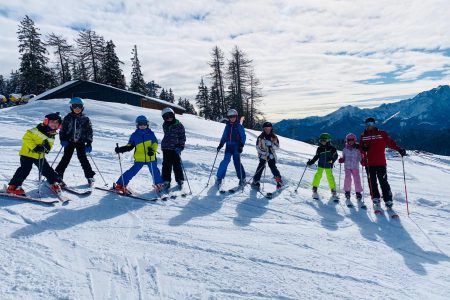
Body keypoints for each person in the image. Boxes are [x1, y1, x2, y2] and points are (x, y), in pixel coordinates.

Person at [6, 112, 63, 195]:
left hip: (39, 155)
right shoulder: (36, 130)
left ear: (59, 125)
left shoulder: (52, 135)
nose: (54, 124)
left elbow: (50, 144)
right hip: (27, 154)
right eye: (52, 122)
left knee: (46, 169)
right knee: (24, 170)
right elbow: (26, 138)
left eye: (56, 123)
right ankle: (13, 187)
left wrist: (46, 148)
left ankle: (54, 182)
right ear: (46, 121)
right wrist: (35, 147)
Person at [360, 117, 406, 210]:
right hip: (369, 163)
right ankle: (375, 198)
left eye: (371, 124)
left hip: (381, 163)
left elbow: (391, 143)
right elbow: (361, 149)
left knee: (383, 181)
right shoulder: (363, 136)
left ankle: (388, 199)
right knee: (372, 182)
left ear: (374, 124)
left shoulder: (382, 134)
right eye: (368, 124)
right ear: (365, 125)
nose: (369, 126)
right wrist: (363, 154)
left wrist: (399, 149)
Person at [114, 115, 164, 193]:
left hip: (150, 156)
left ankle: (158, 184)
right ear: (137, 125)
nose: (143, 126)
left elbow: (155, 143)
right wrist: (120, 149)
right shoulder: (134, 135)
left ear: (147, 124)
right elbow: (129, 146)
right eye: (141, 124)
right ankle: (120, 184)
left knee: (154, 171)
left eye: (144, 124)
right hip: (139, 158)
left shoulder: (151, 134)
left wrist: (152, 150)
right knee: (132, 171)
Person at [55, 97, 95, 186]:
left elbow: (89, 132)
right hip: (69, 142)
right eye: (75, 106)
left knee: (83, 159)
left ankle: (90, 176)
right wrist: (63, 139)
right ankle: (57, 175)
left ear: (82, 108)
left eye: (79, 107)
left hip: (81, 142)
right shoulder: (67, 118)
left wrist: (89, 143)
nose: (77, 109)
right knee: (66, 158)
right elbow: (62, 130)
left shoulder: (86, 119)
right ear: (71, 107)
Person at [215, 109, 246, 188]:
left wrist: (241, 146)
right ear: (228, 117)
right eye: (230, 117)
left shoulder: (239, 126)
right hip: (228, 146)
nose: (232, 118)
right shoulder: (227, 126)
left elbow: (243, 136)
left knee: (237, 163)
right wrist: (221, 144)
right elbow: (224, 136)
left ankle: (242, 178)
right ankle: (219, 178)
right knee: (225, 161)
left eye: (233, 116)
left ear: (236, 117)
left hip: (236, 147)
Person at [251, 121, 283, 190]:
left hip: (271, 155)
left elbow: (277, 147)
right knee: (261, 166)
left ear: (271, 128)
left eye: (269, 128)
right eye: (266, 128)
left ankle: (279, 181)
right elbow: (258, 148)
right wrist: (265, 153)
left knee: (273, 167)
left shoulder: (274, 137)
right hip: (263, 155)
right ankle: (256, 180)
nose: (267, 130)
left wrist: (271, 144)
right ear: (264, 129)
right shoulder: (260, 137)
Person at [307, 133, 339, 200]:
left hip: (328, 165)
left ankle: (333, 190)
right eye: (321, 140)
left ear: (328, 141)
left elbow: (336, 156)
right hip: (321, 164)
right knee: (318, 175)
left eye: (323, 140)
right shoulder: (319, 148)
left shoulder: (332, 148)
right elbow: (316, 156)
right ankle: (315, 187)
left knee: (330, 177)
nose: (322, 142)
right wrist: (311, 162)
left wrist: (332, 161)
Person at [160, 107, 186, 190]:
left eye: (170, 115)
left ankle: (179, 179)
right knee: (166, 165)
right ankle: (166, 180)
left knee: (177, 164)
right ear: (164, 118)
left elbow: (182, 137)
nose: (169, 118)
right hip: (166, 148)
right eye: (166, 117)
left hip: (175, 149)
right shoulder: (164, 125)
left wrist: (181, 146)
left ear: (173, 115)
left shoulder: (179, 125)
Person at [338, 133, 363, 207]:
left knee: (357, 180)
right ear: (347, 141)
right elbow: (343, 156)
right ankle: (347, 192)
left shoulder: (358, 149)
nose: (351, 141)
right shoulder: (345, 149)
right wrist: (342, 159)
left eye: (352, 140)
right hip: (347, 167)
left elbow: (360, 157)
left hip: (355, 167)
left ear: (355, 140)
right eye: (349, 140)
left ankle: (358, 193)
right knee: (348, 179)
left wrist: (363, 161)